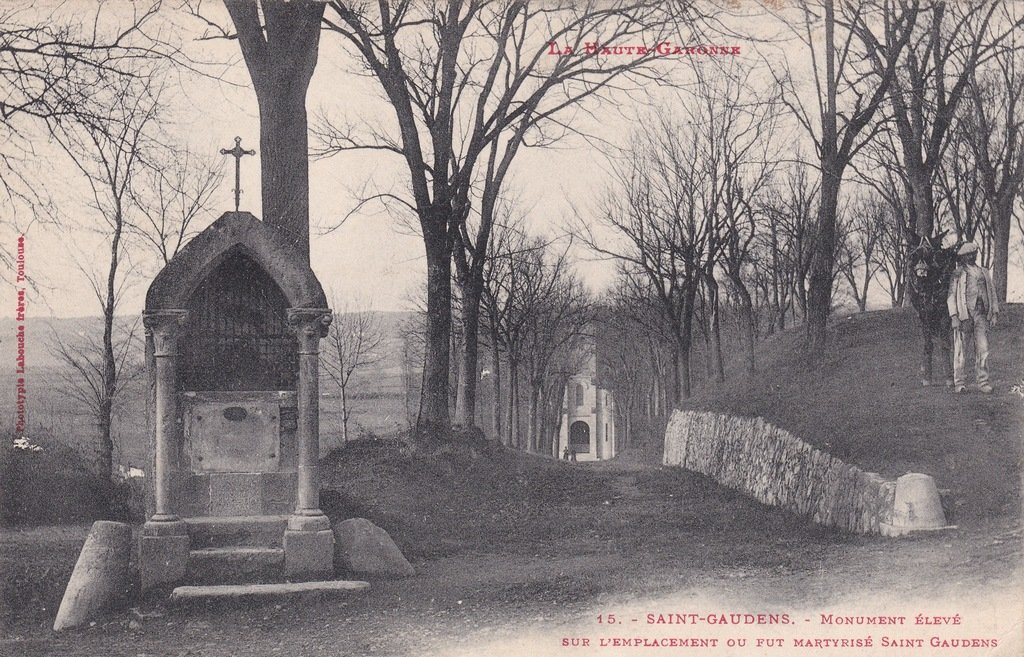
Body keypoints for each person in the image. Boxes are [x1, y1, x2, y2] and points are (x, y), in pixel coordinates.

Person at [946, 242, 999, 394]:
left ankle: (983, 382)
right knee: (961, 350)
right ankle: (960, 383)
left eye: (974, 253)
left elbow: (992, 293)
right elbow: (951, 296)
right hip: (964, 316)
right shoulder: (958, 273)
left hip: (981, 315)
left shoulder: (984, 272)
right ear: (963, 257)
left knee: (983, 349)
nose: (972, 256)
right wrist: (954, 316)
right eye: (968, 254)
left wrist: (994, 313)